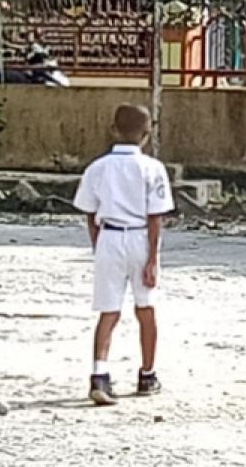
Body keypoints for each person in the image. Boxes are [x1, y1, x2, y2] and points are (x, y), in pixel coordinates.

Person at [73, 104, 174, 406]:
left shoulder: (98, 167)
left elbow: (89, 212)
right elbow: (156, 216)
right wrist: (153, 259)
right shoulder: (153, 169)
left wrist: (97, 243)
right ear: (147, 135)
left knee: (108, 310)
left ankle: (99, 374)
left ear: (113, 130)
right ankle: (147, 373)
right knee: (146, 309)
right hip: (141, 237)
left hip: (110, 237)